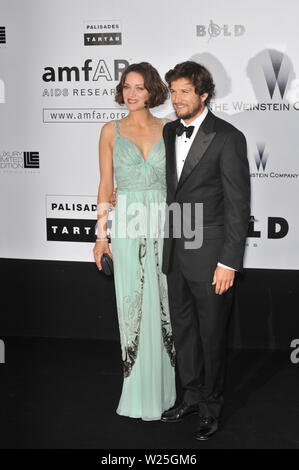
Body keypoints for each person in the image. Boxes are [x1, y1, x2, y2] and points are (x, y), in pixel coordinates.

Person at [160, 61, 250, 440]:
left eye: (184, 92)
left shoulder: (228, 137)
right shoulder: (168, 131)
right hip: (176, 250)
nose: (176, 99)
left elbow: (237, 204)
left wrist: (229, 260)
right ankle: (192, 395)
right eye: (173, 91)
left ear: (204, 94)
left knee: (212, 335)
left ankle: (211, 406)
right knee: (184, 332)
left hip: (212, 255)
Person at [93, 62, 176, 421]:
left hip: (164, 221)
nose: (131, 93)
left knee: (167, 305)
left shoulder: (171, 130)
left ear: (152, 91)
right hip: (127, 221)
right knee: (132, 306)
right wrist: (101, 236)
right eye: (127, 86)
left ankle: (168, 390)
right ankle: (137, 392)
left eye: (139, 87)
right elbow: (104, 185)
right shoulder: (110, 131)